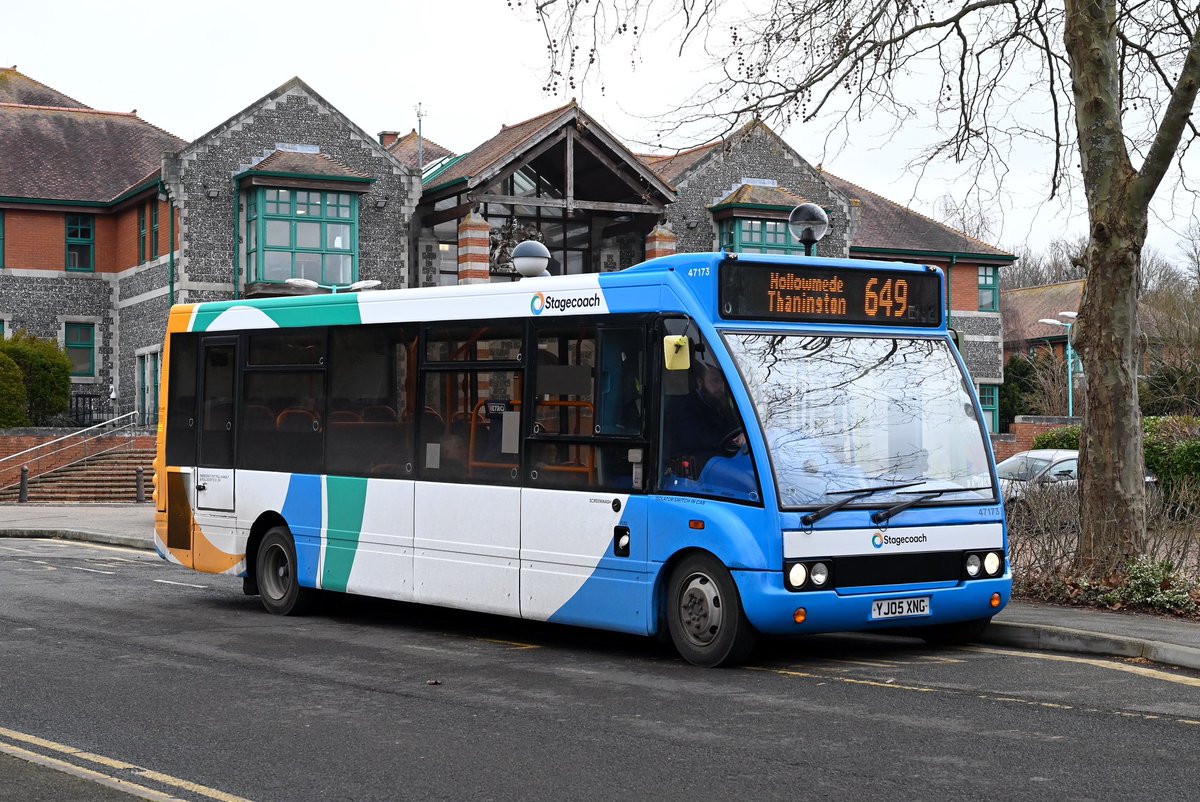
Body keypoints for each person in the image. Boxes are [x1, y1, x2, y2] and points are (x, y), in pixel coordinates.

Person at [665, 361, 746, 477]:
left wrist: (743, 434)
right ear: (700, 382)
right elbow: (697, 440)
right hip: (693, 469)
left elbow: (735, 428)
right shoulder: (684, 406)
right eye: (715, 381)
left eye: (723, 382)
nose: (721, 387)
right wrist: (734, 441)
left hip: (718, 461)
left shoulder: (721, 405)